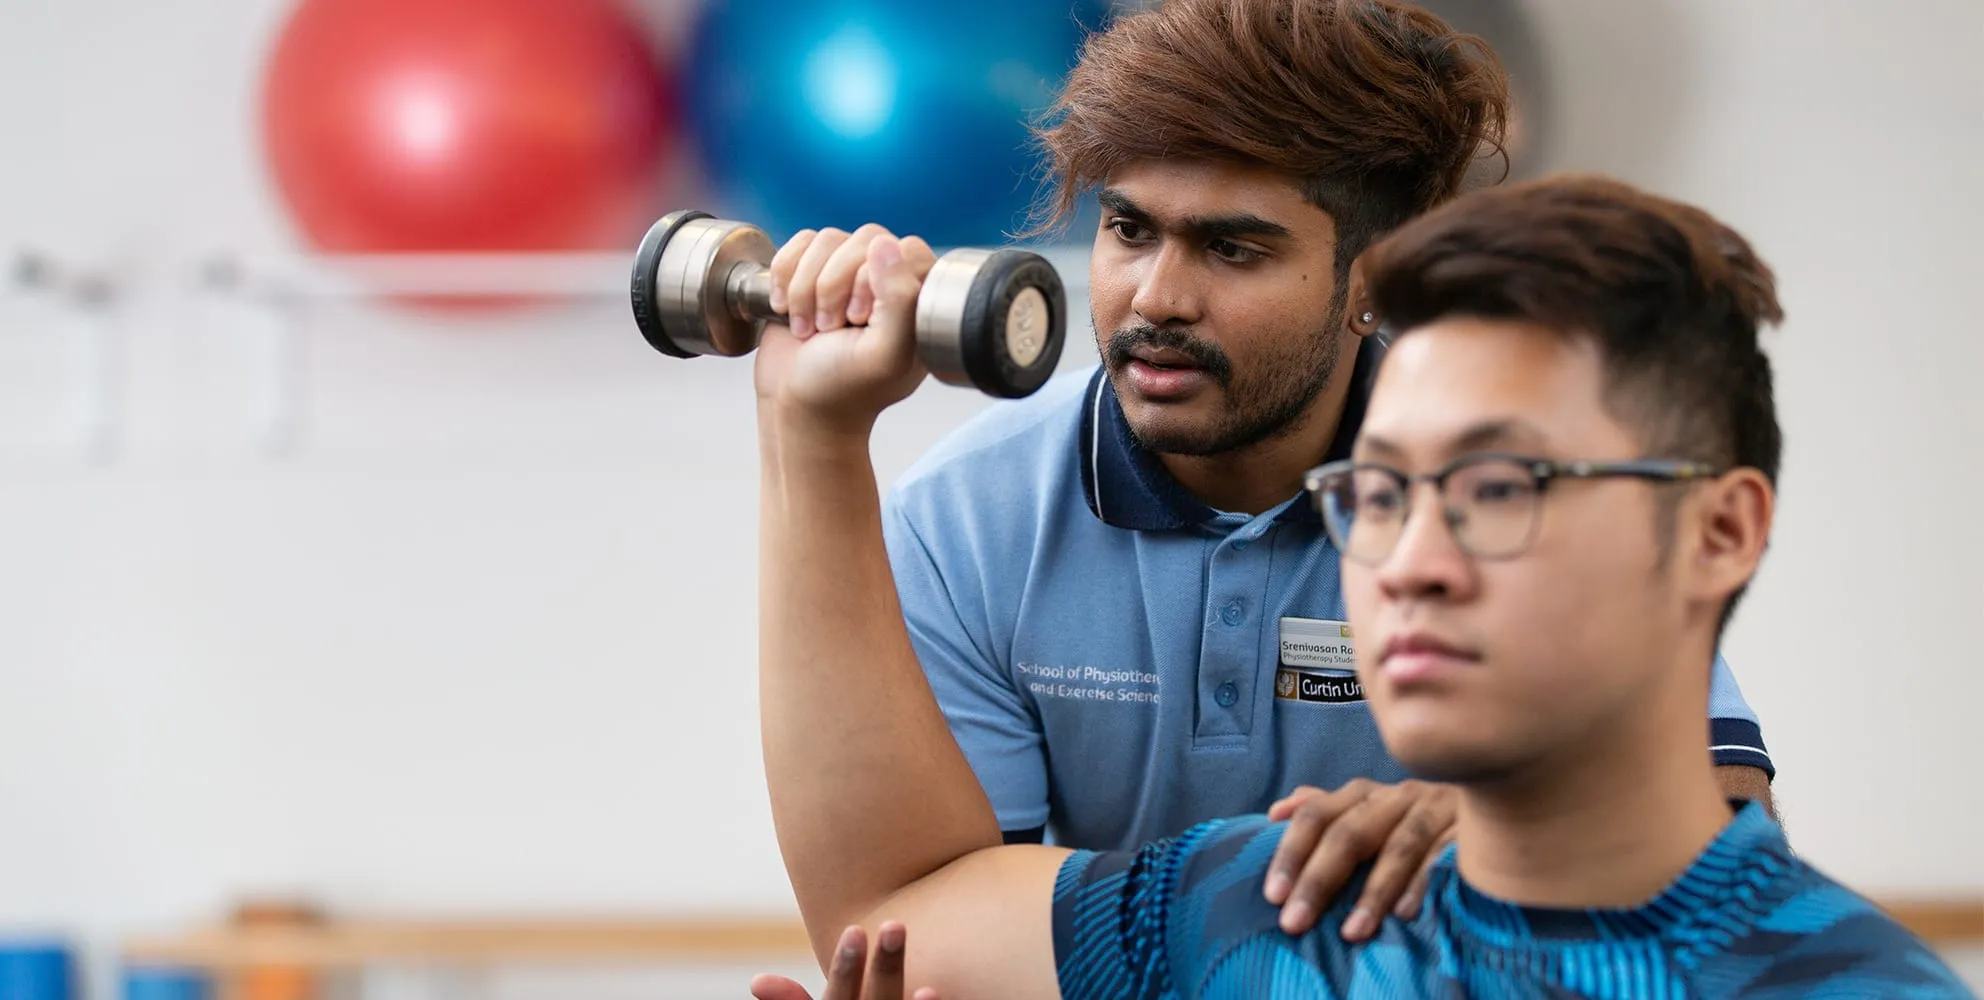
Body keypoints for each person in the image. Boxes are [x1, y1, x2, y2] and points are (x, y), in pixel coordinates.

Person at [746, 173, 1975, 997]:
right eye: (1377, 495)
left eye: (1497, 486)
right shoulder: (1252, 900)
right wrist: (808, 432)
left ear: (1717, 533)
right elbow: (897, 922)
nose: (1409, 561)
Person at [759, 0, 1776, 940]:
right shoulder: (964, 517)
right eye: (1128, 229)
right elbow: (919, 930)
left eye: (1232, 249)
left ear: (1370, 284)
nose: (1157, 297)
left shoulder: (1517, 496)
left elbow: (1728, 846)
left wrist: (1506, 829)